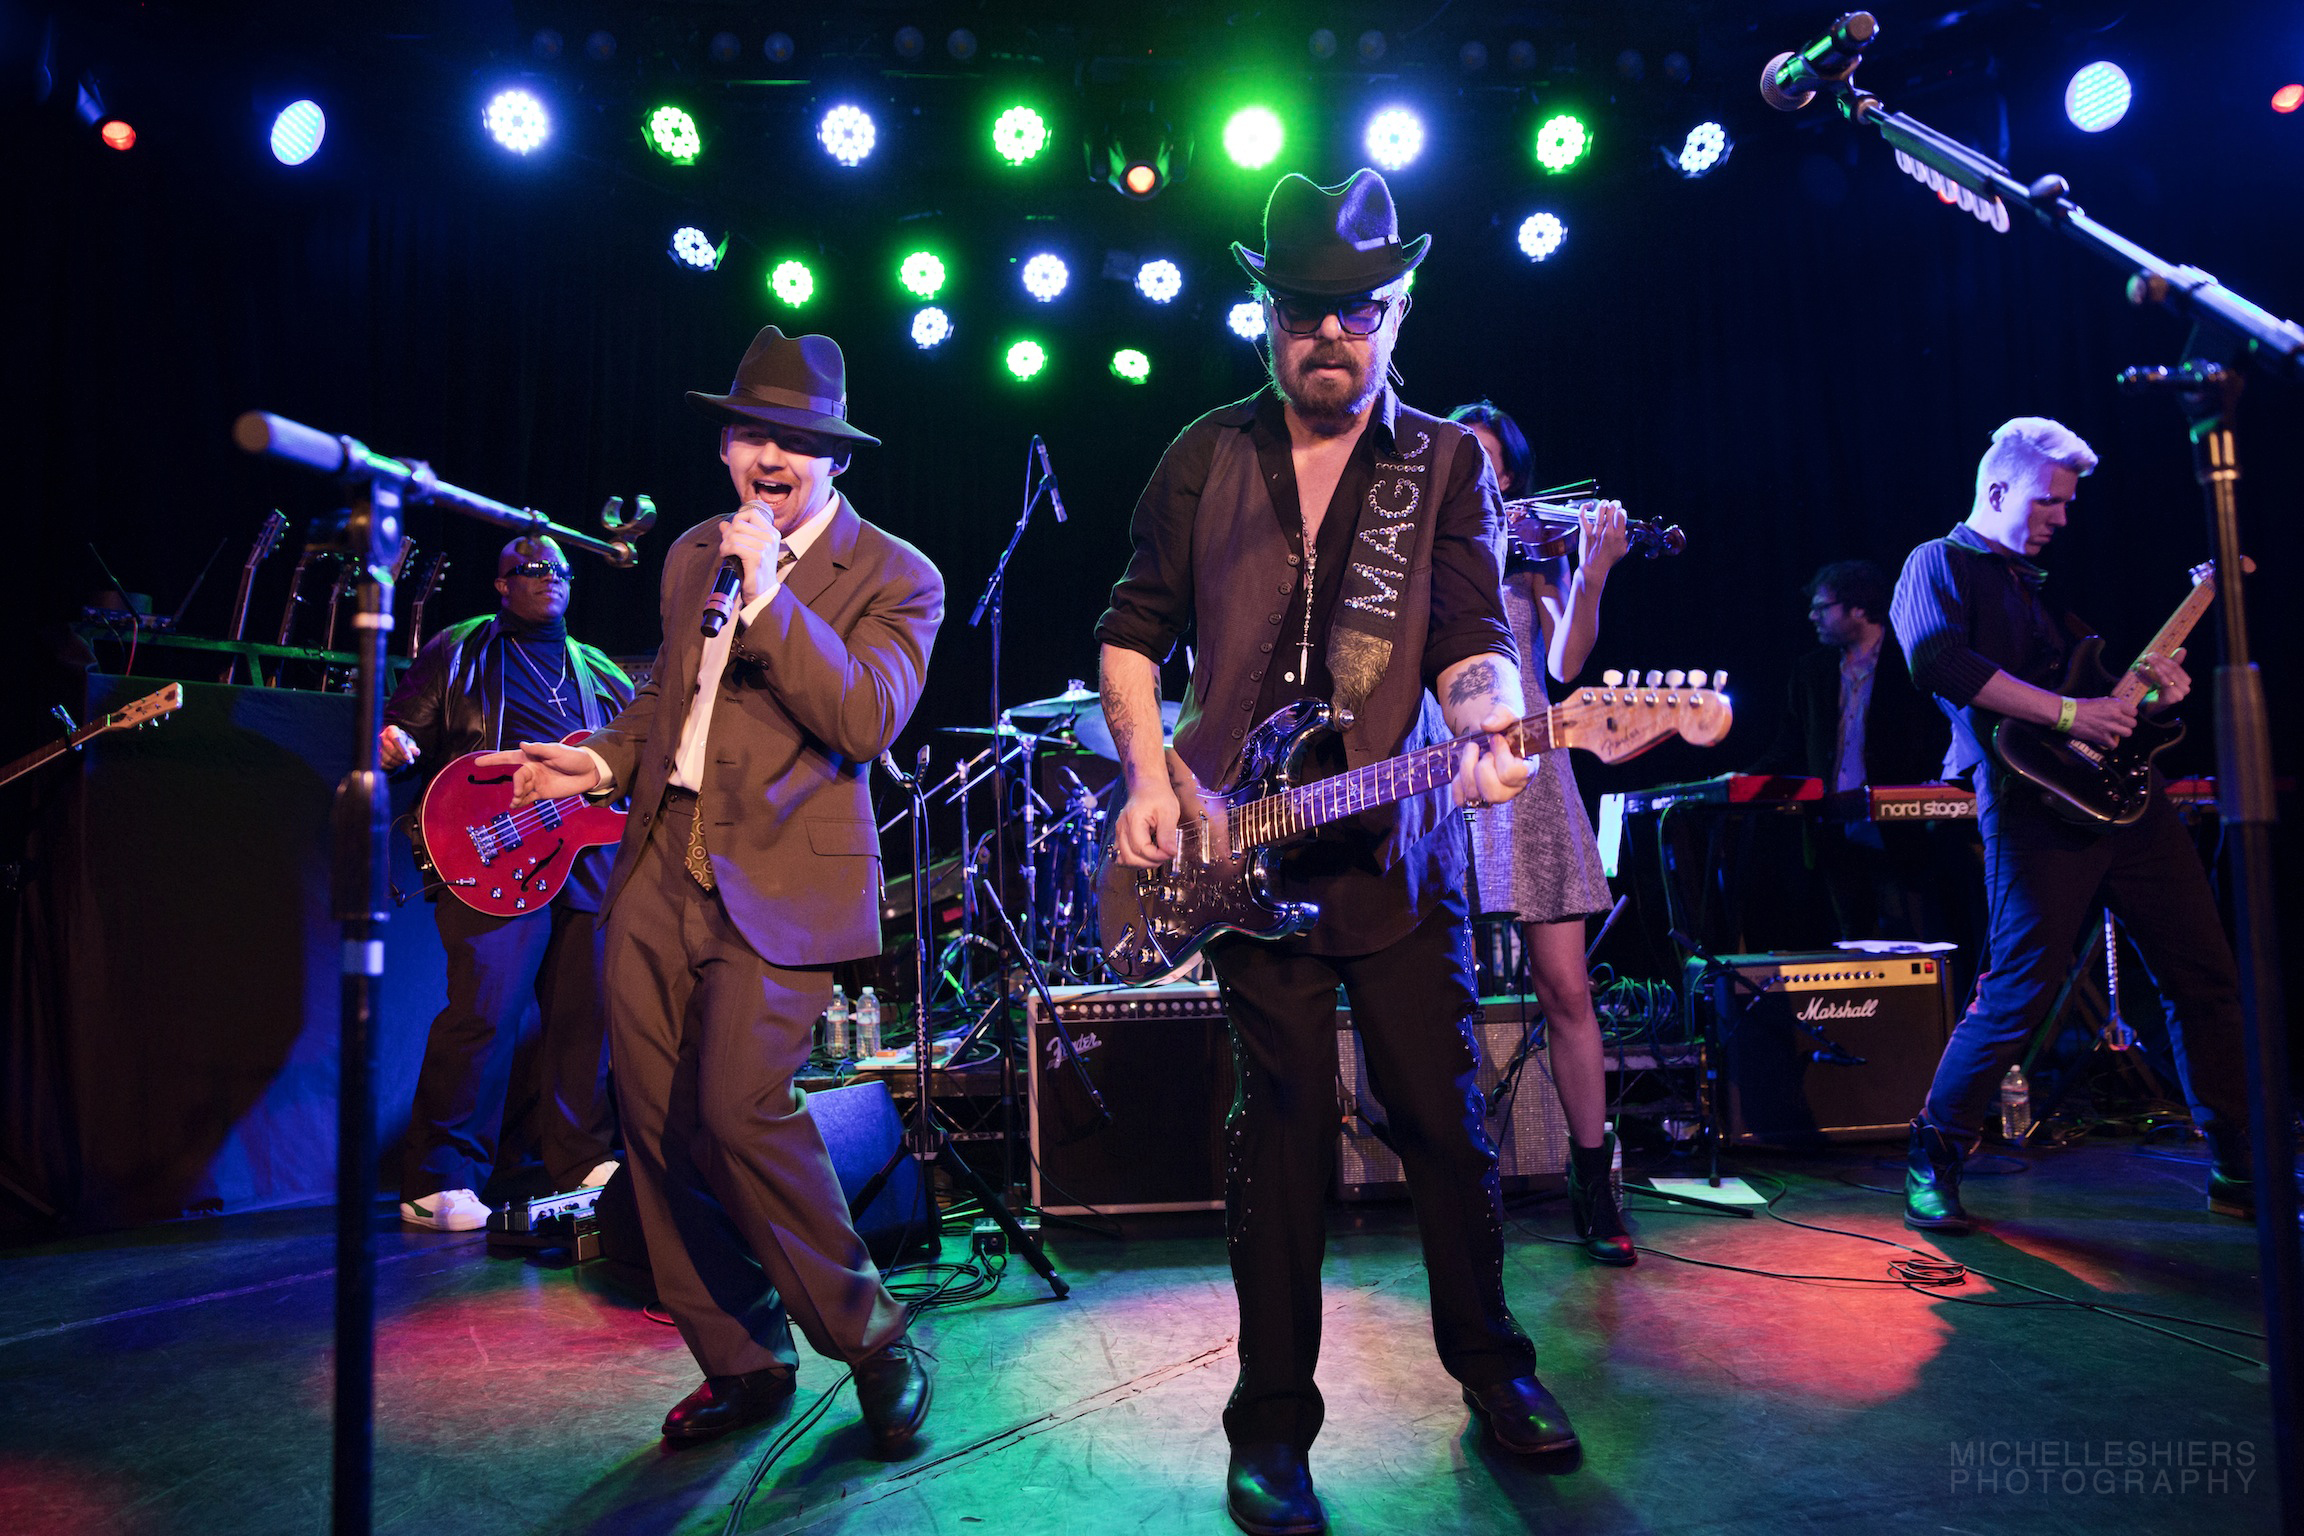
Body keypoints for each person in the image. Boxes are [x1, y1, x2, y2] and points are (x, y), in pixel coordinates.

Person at [1096, 168, 1575, 1536]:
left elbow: (1473, 639)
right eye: (1305, 308)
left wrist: (1488, 734)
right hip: (1239, 861)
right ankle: (1270, 1429)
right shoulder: (1203, 454)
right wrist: (1148, 774)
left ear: (1398, 311)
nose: (1330, 334)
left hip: (1394, 861)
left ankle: (1494, 1369)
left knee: (1447, 1125)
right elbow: (1130, 632)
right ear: (1265, 314)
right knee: (1283, 1144)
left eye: (1358, 310)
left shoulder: (1446, 464)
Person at [483, 327, 942, 1450]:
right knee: (655, 1126)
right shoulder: (694, 552)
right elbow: (663, 705)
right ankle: (741, 1360)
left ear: (836, 459)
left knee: (741, 1108)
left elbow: (864, 718)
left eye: (795, 440)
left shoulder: (897, 574)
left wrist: (772, 594)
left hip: (785, 877)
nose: (768, 456)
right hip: (657, 859)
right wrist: (594, 762)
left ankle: (874, 1340)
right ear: (727, 447)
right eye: (750, 434)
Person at [1889, 416, 2255, 1232]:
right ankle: (1933, 1156)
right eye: (2048, 501)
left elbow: (2099, 714)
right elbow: (1938, 660)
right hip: (2029, 807)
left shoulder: (2043, 594)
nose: (2061, 517)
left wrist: (2149, 701)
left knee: (2204, 978)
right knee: (2018, 992)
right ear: (1997, 489)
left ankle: (2238, 1164)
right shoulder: (1937, 562)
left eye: (2067, 504)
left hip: (2129, 805)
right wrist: (2070, 713)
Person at [382, 535, 633, 1231]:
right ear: (501, 584)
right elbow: (402, 731)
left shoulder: (598, 669)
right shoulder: (458, 650)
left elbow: (634, 754)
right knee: (485, 1012)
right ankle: (439, 1178)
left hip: (585, 857)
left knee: (586, 1013)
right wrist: (393, 743)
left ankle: (582, 1158)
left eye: (560, 569)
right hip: (493, 849)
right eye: (532, 568)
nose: (549, 577)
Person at [1451, 401, 1638, 1267]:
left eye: (1495, 466)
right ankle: (1455, 1180)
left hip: (1532, 769)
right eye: (1467, 458)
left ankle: (1593, 1180)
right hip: (1439, 772)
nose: (1483, 477)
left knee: (1566, 988)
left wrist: (1591, 572)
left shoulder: (1534, 553)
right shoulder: (1422, 549)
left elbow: (1565, 664)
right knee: (1437, 993)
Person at [1749, 559, 1950, 941]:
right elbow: (1790, 744)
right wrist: (1744, 780)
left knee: (1910, 933)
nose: (1812, 616)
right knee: (1852, 936)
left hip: (1900, 827)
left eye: (1822, 607)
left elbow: (1937, 736)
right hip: (1832, 826)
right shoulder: (1812, 671)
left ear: (1858, 608)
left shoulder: (1910, 662)